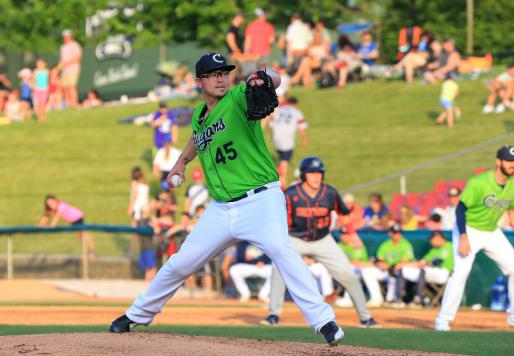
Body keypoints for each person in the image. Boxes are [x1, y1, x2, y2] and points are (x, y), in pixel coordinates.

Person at [109, 52, 345, 346]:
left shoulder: (237, 98)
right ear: (199, 82)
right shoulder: (199, 115)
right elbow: (197, 136)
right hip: (221, 209)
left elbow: (275, 79)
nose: (220, 78)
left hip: (260, 199)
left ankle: (325, 322)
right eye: (213, 74)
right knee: (180, 263)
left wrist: (263, 77)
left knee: (280, 250)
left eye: (223, 73)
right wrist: (181, 162)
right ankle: (136, 314)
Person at [260, 156, 378, 328]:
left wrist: (353, 235)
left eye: (319, 173)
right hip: (295, 238)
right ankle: (273, 315)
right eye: (311, 173)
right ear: (303, 175)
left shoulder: (329, 193)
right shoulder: (291, 195)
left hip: (323, 239)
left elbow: (344, 215)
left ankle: (366, 318)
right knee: (278, 268)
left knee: (348, 275)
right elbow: (279, 218)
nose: (316, 176)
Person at [434, 145, 514, 333]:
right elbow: (461, 209)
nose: (513, 164)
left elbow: (513, 212)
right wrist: (463, 237)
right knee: (461, 273)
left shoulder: (513, 185)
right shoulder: (479, 182)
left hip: (492, 231)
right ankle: (443, 319)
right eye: (509, 160)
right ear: (498, 162)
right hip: (469, 229)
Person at [363, 223, 415, 306]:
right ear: (389, 233)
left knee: (395, 273)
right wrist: (388, 267)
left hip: (398, 271)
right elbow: (379, 260)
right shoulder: (385, 245)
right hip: (386, 269)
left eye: (398, 233)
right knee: (367, 271)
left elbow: (406, 261)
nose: (397, 235)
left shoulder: (406, 244)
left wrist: (392, 268)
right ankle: (376, 298)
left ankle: (391, 299)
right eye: (394, 232)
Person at [401, 230, 453, 305]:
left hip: (445, 273)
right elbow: (422, 262)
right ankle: (400, 299)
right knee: (405, 270)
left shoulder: (450, 246)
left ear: (438, 238)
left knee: (423, 270)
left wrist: (425, 264)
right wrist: (403, 265)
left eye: (432, 239)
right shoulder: (434, 250)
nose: (431, 242)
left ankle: (418, 298)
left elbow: (436, 262)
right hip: (432, 272)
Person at [266, 96, 308, 187]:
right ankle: (283, 181)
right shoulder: (297, 112)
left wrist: (272, 136)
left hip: (276, 137)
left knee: (281, 158)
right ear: (295, 104)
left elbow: (271, 123)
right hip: (287, 140)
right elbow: (302, 128)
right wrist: (304, 140)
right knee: (285, 160)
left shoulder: (280, 110)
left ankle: (279, 172)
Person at [128, 167, 150, 255]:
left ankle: (132, 250)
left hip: (137, 209)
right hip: (145, 209)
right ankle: (141, 249)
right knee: (143, 229)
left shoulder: (134, 184)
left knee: (134, 230)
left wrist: (130, 207)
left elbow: (134, 196)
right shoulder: (145, 185)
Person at [58, 29, 83, 108]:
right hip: (64, 70)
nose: (66, 38)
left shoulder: (75, 45)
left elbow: (78, 58)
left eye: (67, 36)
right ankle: (68, 105)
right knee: (65, 87)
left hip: (73, 69)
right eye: (65, 37)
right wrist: (60, 66)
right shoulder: (62, 47)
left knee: (71, 86)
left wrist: (66, 63)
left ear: (71, 36)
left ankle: (74, 103)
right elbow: (62, 59)